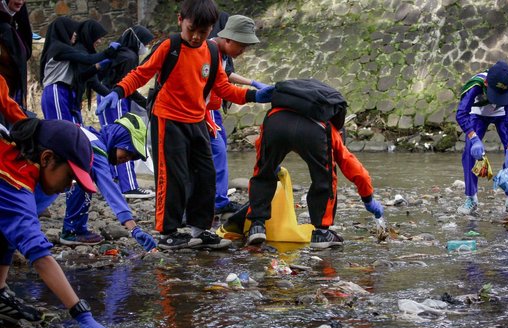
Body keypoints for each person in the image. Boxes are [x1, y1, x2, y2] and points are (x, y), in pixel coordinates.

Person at [97, 0, 275, 250]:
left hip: (197, 121)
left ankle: (199, 229)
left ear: (212, 29)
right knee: (173, 176)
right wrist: (118, 90)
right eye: (192, 29)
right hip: (168, 119)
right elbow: (142, 73)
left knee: (206, 174)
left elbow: (222, 88)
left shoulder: (212, 53)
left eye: (203, 32)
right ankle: (167, 231)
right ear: (181, 20)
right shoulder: (170, 46)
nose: (196, 36)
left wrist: (254, 95)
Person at [0, 117, 113, 328]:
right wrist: (81, 314)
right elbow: (39, 254)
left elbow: (8, 231)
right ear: (47, 158)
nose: (69, 186)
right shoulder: (13, 183)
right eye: (70, 176)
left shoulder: (15, 159)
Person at [246, 107, 384, 249]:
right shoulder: (330, 129)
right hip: (313, 131)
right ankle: (321, 232)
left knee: (263, 171)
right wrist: (368, 200)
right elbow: (358, 172)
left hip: (275, 121)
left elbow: (261, 153)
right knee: (325, 177)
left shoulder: (283, 108)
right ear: (342, 133)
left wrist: (270, 162)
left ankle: (257, 225)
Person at [36, 112, 158, 250]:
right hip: (38, 179)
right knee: (81, 182)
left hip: (32, 170)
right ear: (117, 139)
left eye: (132, 157)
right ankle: (72, 230)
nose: (127, 159)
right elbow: (110, 190)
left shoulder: (87, 134)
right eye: (128, 151)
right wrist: (134, 229)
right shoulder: (96, 150)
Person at [207, 15, 270, 215]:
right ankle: (211, 202)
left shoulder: (222, 54)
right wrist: (253, 93)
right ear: (228, 39)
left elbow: (224, 77)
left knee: (219, 151)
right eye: (242, 46)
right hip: (201, 111)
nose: (243, 52)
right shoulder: (207, 51)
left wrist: (252, 84)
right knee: (213, 152)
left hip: (212, 110)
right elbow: (223, 86)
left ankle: (218, 199)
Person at [455, 60, 508, 216]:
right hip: (478, 115)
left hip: (502, 116)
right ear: (486, 84)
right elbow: (461, 114)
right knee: (469, 151)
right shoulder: (475, 86)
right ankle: (471, 197)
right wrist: (473, 138)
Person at [97, 25, 155, 199]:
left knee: (109, 140)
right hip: (115, 100)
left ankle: (111, 179)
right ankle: (129, 185)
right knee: (124, 141)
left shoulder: (119, 52)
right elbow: (127, 87)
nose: (146, 46)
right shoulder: (129, 57)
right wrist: (147, 104)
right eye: (146, 43)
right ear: (138, 41)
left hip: (105, 98)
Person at [39, 17, 118, 124]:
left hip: (63, 91)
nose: (75, 34)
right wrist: (108, 52)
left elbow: (82, 75)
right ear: (64, 31)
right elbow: (88, 59)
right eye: (72, 31)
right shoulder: (59, 48)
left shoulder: (62, 48)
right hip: (56, 91)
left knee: (72, 131)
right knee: (63, 130)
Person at [0, 0, 32, 111]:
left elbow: (26, 52)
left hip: (10, 98)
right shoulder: (5, 30)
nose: (21, 1)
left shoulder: (11, 27)